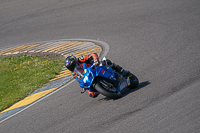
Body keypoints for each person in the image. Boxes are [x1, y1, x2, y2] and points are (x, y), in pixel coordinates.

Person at [64, 53, 130, 98]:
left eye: (72, 65)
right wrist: (84, 86)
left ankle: (121, 70)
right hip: (90, 77)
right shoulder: (74, 73)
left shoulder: (81, 59)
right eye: (69, 67)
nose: (71, 67)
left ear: (74, 61)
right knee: (92, 94)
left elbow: (93, 55)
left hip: (95, 67)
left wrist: (95, 61)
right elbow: (80, 80)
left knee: (105, 61)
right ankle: (107, 89)